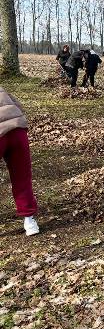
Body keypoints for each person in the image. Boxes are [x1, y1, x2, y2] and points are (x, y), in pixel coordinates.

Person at [0, 87, 39, 236]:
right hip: (18, 132)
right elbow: (18, 106)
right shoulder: (2, 89)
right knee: (22, 177)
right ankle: (30, 222)